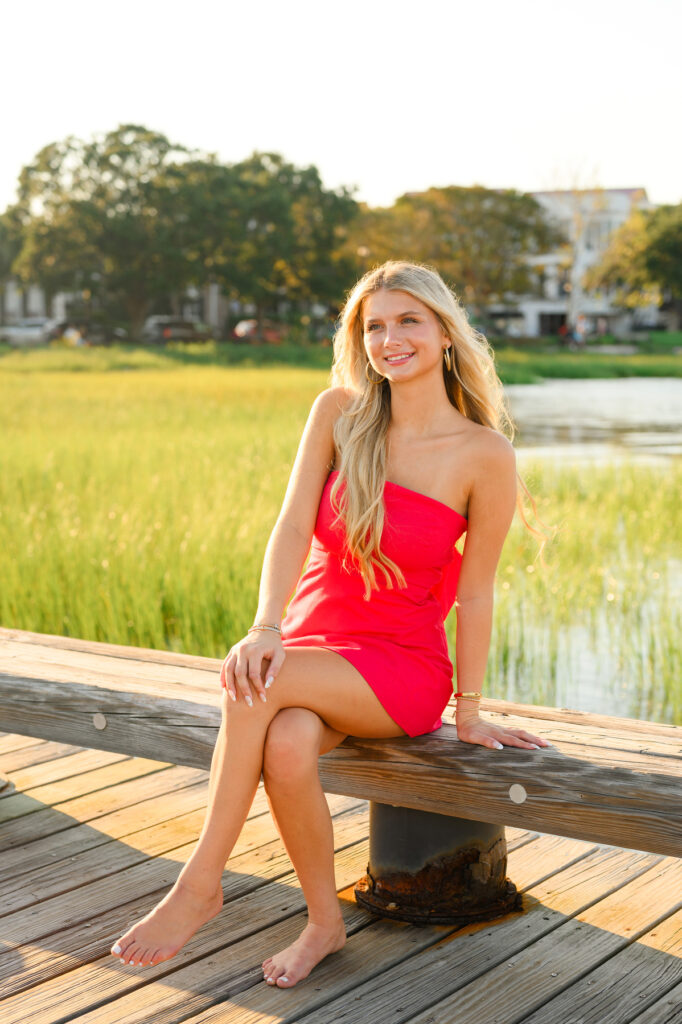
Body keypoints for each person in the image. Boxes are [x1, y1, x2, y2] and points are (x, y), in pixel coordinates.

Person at [110, 260, 550, 987]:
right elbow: (290, 528)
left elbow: (478, 592)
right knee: (283, 739)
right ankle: (324, 921)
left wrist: (469, 711)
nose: (390, 338)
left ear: (445, 332)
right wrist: (265, 625)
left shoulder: (483, 453)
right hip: (313, 642)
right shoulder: (338, 414)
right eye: (374, 325)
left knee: (255, 687)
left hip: (399, 666)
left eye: (408, 320)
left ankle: (200, 883)